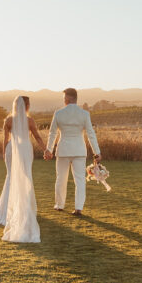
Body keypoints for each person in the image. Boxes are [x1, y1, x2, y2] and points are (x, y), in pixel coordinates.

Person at [0, 95, 45, 243]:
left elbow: (5, 139)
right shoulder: (30, 121)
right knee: (25, 177)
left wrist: (4, 153)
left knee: (10, 177)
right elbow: (37, 137)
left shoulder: (8, 120)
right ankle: (22, 210)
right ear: (27, 106)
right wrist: (46, 150)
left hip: (11, 150)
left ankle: (6, 212)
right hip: (25, 150)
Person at [44, 88, 101, 216]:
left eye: (64, 98)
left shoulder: (58, 113)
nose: (63, 100)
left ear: (68, 99)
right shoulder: (84, 114)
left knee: (61, 179)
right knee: (80, 180)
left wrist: (49, 149)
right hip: (79, 151)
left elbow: (52, 133)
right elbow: (91, 134)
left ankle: (59, 205)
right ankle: (78, 208)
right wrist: (97, 152)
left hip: (63, 150)